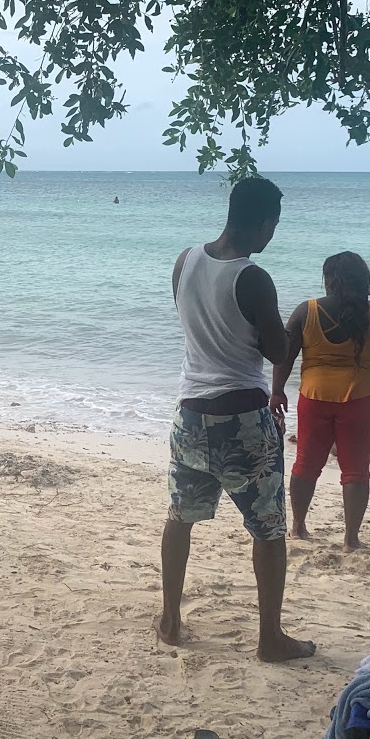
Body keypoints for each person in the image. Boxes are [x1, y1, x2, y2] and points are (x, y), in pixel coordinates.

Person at [159, 176, 314, 662]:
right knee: (268, 530)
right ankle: (270, 637)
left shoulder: (185, 261)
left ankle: (169, 619)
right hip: (241, 420)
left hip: (190, 415)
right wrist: (291, 332)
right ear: (265, 222)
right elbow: (275, 350)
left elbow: (194, 321)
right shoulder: (253, 277)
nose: (272, 237)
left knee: (180, 519)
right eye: (274, 226)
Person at [269, 252, 370, 550]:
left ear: (328, 280)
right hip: (359, 401)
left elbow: (284, 356)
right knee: (357, 470)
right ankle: (351, 538)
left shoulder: (305, 311)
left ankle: (297, 526)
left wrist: (277, 390)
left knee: (306, 464)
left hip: (314, 398)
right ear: (364, 281)